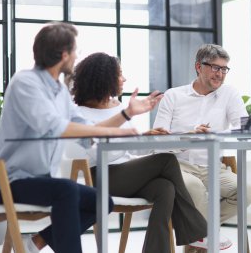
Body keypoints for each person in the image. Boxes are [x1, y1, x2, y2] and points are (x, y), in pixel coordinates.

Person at [0, 22, 164, 253]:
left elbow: (87, 129)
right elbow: (53, 126)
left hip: (41, 179)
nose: (76, 57)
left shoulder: (59, 91)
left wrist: (126, 114)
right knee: (67, 190)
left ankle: (33, 244)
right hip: (12, 180)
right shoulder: (26, 82)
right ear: (64, 55)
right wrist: (114, 131)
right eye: (75, 51)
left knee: (103, 201)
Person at [70, 52, 214, 252]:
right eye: (119, 74)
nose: (124, 79)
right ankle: (198, 233)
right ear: (104, 78)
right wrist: (123, 136)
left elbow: (129, 149)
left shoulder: (117, 106)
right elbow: (92, 154)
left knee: (165, 188)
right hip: (98, 177)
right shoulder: (78, 113)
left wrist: (146, 136)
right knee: (167, 160)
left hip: (125, 175)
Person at [153, 43, 251, 248]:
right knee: (195, 187)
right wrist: (188, 136)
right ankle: (204, 233)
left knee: (245, 191)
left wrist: (215, 133)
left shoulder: (229, 94)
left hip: (213, 168)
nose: (220, 74)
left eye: (224, 69)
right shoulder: (174, 96)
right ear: (199, 67)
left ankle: (199, 230)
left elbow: (243, 128)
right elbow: (158, 140)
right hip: (177, 166)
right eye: (215, 68)